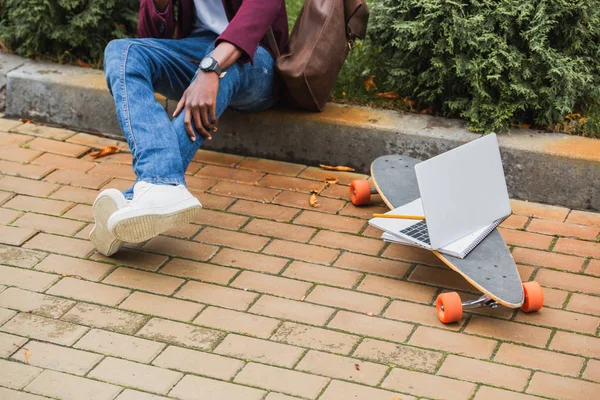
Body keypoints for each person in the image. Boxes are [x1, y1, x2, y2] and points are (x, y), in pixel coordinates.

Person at [89, 0, 288, 256]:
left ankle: (146, 190)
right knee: (122, 52)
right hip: (196, 50)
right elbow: (150, 38)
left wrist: (211, 68)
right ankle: (152, 191)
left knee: (227, 67)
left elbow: (262, 7)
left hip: (255, 58)